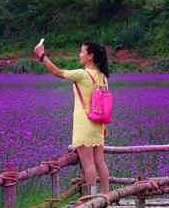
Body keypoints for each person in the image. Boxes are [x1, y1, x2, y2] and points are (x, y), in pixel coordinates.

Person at [34, 41, 111, 196]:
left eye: (82, 52)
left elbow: (57, 72)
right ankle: (106, 193)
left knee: (88, 164)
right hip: (98, 124)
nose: (80, 54)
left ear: (90, 56)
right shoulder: (103, 77)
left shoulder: (82, 74)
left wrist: (42, 56)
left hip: (85, 123)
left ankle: (91, 196)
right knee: (100, 162)